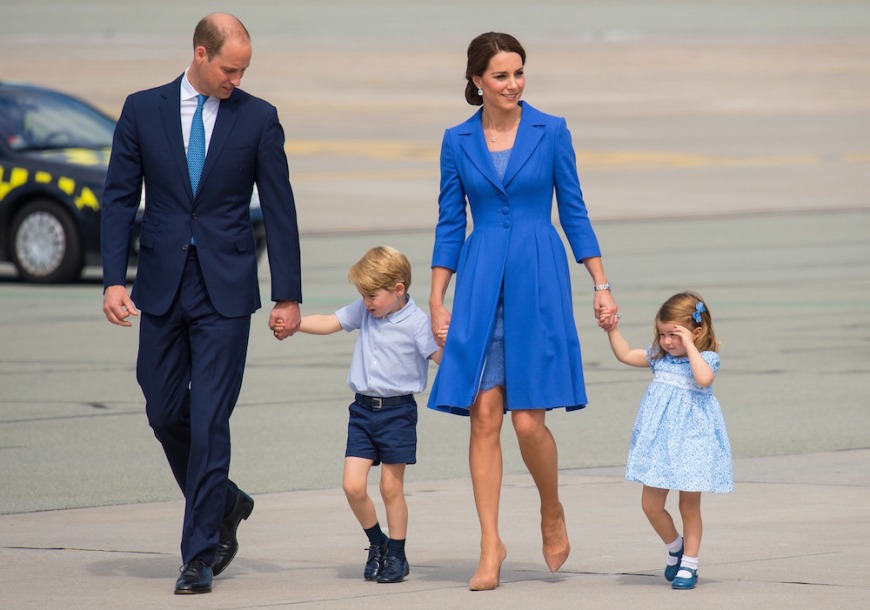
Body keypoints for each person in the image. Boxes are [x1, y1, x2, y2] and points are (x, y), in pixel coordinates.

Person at [100, 13, 302, 595]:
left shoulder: (258, 118)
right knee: (164, 411)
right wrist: (115, 279)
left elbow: (281, 210)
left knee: (211, 418)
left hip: (226, 288)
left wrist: (287, 295)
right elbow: (118, 198)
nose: (236, 80)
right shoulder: (143, 109)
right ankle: (225, 500)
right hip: (161, 282)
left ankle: (199, 554)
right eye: (229, 69)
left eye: (244, 71)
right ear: (200, 53)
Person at [427, 32, 619, 591]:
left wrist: (600, 283)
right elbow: (448, 221)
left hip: (539, 274)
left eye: (519, 74)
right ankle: (490, 544)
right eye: (501, 76)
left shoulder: (551, 130)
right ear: (477, 81)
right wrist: (438, 295)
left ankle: (551, 507)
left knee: (528, 420)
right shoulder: (456, 140)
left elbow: (575, 211)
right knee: (484, 413)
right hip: (481, 274)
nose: (513, 84)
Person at [275, 246, 445, 584]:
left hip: (398, 413)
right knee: (352, 486)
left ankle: (397, 554)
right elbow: (330, 321)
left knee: (389, 488)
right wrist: (295, 325)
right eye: (363, 295)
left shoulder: (417, 324)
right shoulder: (366, 312)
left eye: (372, 295)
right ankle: (377, 542)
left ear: (398, 290)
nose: (367, 302)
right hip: (363, 411)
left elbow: (444, 359)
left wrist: (453, 343)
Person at [602, 291, 733, 590]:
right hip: (660, 442)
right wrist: (613, 330)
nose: (667, 342)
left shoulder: (707, 359)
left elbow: (703, 379)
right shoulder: (659, 359)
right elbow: (625, 354)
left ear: (696, 332)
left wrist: (689, 346)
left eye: (674, 335)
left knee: (689, 505)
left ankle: (690, 563)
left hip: (693, 441)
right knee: (650, 504)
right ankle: (675, 546)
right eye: (662, 334)